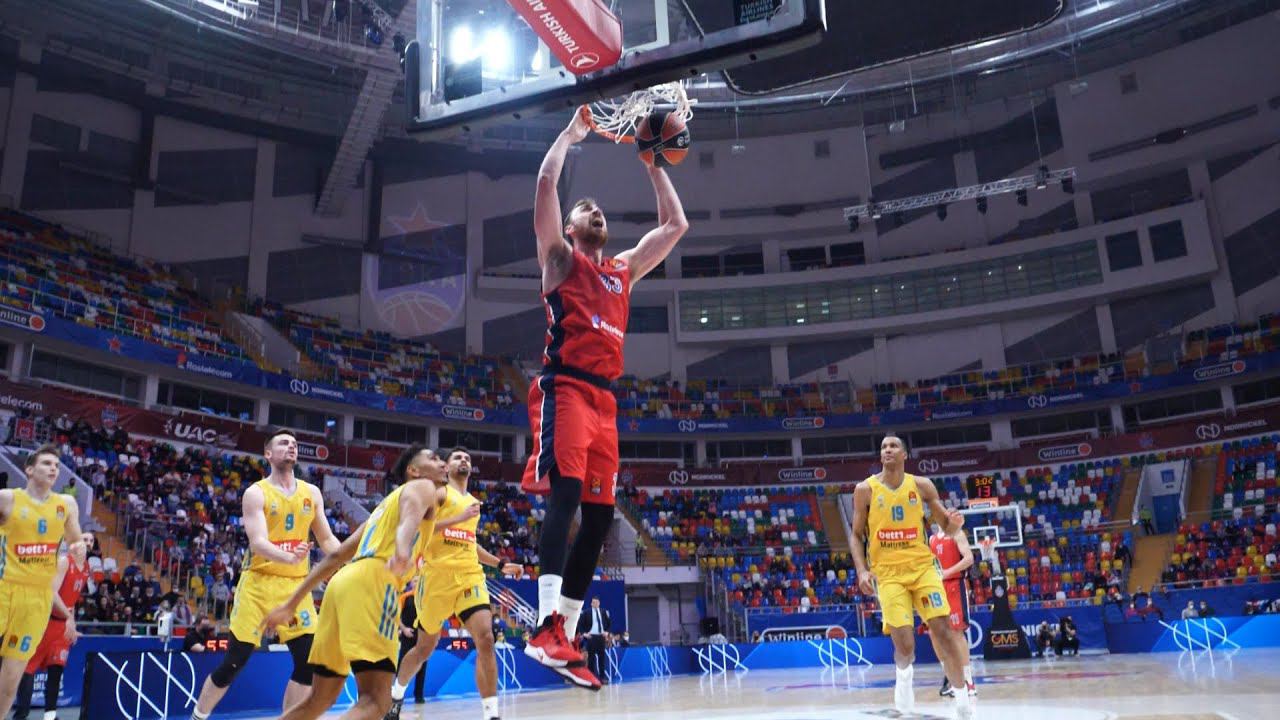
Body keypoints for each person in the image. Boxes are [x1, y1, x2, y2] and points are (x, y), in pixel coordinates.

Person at [520, 108, 689, 690]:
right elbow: (546, 183)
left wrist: (653, 163)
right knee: (565, 495)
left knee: (598, 518)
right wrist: (570, 136)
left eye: (598, 210)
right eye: (583, 209)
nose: (594, 211)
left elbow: (675, 225)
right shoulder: (559, 261)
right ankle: (544, 624)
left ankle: (563, 635)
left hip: (605, 403)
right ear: (568, 228)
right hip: (565, 386)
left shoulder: (622, 271)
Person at [262, 445, 446, 720]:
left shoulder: (381, 511)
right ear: (414, 470)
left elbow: (336, 556)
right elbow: (409, 520)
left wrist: (291, 603)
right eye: (434, 458)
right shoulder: (423, 486)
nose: (442, 463)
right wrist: (402, 550)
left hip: (342, 584)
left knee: (319, 699)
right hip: (375, 583)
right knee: (377, 700)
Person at [191, 430, 343, 720]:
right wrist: (290, 557)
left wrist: (347, 561)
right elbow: (258, 543)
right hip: (258, 585)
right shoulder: (256, 493)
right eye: (284, 443)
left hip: (295, 587)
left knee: (308, 662)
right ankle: (198, 716)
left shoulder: (311, 493)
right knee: (234, 662)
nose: (291, 447)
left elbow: (326, 538)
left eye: (294, 444)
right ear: (268, 454)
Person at [388, 448, 523, 720]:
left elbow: (470, 543)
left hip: (469, 576)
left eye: (468, 459)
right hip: (436, 579)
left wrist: (499, 564)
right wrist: (458, 518)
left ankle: (491, 714)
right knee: (423, 649)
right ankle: (397, 694)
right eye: (458, 458)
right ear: (446, 468)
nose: (464, 461)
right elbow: (421, 526)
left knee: (486, 638)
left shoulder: (473, 502)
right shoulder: (439, 494)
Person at [849, 434, 973, 718]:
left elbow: (947, 527)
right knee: (905, 645)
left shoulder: (922, 485)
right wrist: (862, 570)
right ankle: (904, 681)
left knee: (944, 631)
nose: (887, 450)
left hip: (923, 569)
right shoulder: (864, 490)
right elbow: (856, 536)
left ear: (904, 454)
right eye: (884, 447)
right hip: (888, 574)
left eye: (893, 446)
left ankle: (963, 701)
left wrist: (955, 524)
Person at [0, 444, 84, 718]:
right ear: (29, 469)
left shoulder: (66, 504)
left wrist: (79, 547)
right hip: (4, 589)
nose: (53, 469)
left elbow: (75, 540)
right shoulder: (7, 499)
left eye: (57, 465)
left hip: (37, 598)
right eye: (47, 463)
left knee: (11, 679)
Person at [13, 534, 94, 720]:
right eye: (84, 539)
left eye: (91, 541)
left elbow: (72, 600)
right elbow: (51, 593)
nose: (88, 543)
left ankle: (50, 715)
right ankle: (21, 715)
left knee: (56, 670)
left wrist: (72, 624)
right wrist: (69, 617)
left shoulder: (86, 568)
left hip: (62, 626)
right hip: (45, 621)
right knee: (28, 668)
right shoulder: (64, 562)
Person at [929, 522, 975, 698]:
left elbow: (969, 558)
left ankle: (968, 682)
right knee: (934, 633)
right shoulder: (932, 539)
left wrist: (948, 572)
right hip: (936, 588)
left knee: (956, 632)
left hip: (954, 585)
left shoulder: (957, 534)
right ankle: (950, 678)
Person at [394, 589, 426, 710]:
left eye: (419, 580)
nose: (417, 582)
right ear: (411, 583)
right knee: (402, 663)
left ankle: (419, 696)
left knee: (422, 666)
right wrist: (404, 629)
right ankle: (396, 695)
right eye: (415, 580)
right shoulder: (405, 597)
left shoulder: (426, 598)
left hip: (422, 636)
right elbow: (396, 616)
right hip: (407, 635)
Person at [576, 597, 611, 685]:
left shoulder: (603, 612)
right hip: (591, 637)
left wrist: (607, 632)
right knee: (591, 658)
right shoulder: (586, 612)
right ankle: (591, 678)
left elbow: (609, 623)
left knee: (602, 658)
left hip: (601, 637)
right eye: (593, 602)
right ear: (591, 603)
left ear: (599, 603)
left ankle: (602, 678)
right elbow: (580, 624)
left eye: (596, 602)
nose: (595, 604)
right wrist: (584, 634)